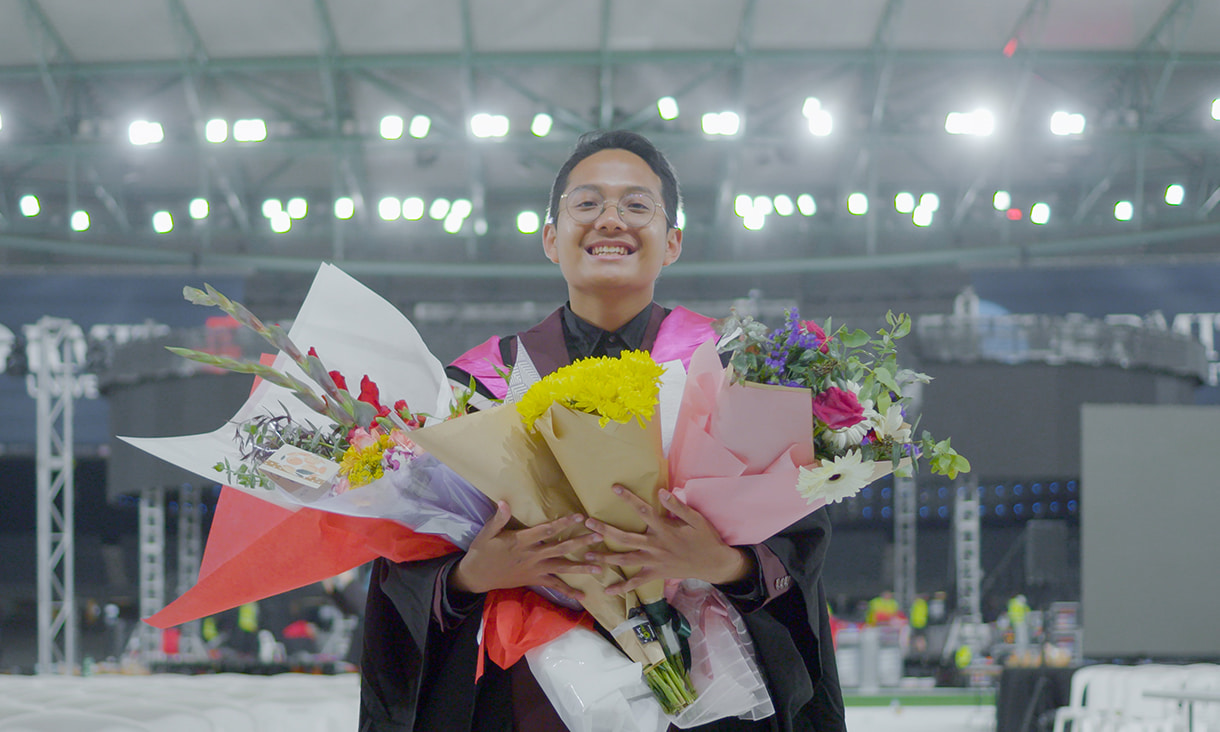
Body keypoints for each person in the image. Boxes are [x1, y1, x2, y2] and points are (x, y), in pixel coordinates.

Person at [359, 130, 845, 731]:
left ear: (672, 243)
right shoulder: (479, 385)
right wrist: (471, 576)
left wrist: (721, 563)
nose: (610, 220)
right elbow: (405, 562)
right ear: (550, 239)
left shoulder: (729, 372)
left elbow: (801, 540)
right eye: (586, 204)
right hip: (533, 698)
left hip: (713, 694)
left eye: (636, 205)